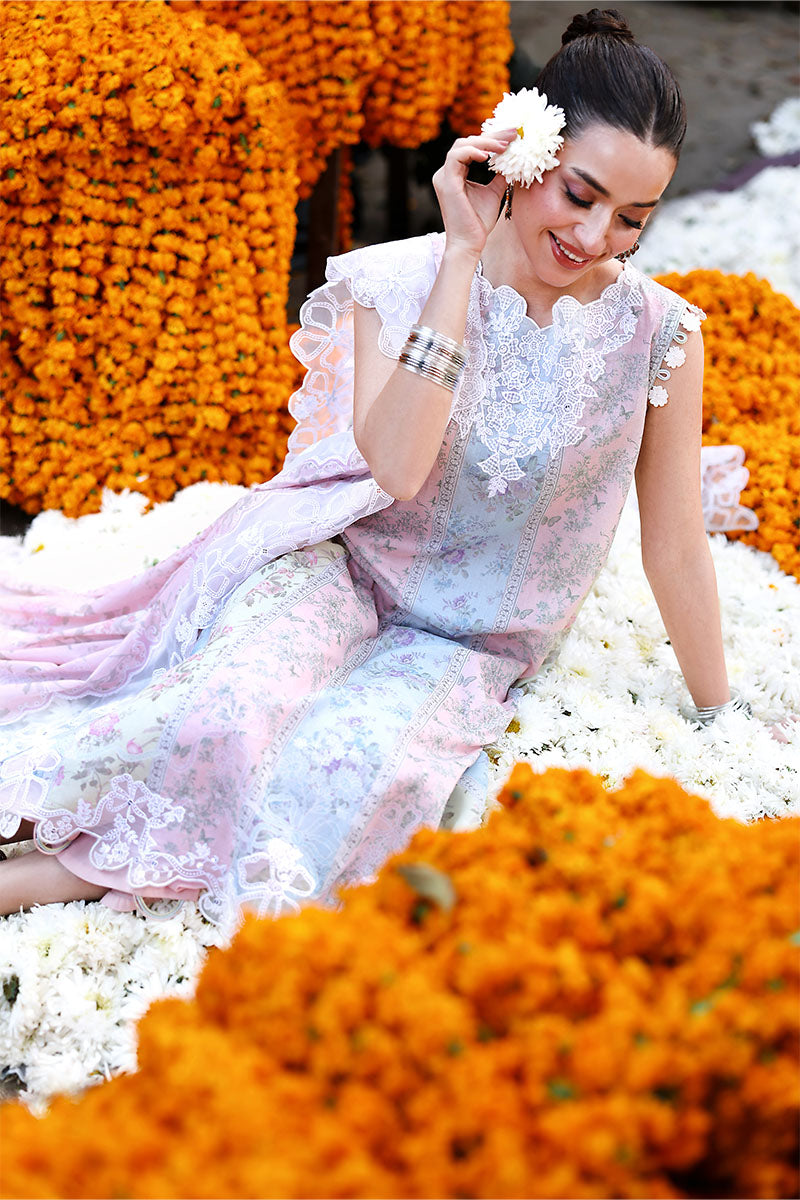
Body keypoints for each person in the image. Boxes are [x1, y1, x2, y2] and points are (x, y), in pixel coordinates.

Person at [0, 9, 749, 929]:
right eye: (578, 195)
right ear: (521, 155)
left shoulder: (661, 333)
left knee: (336, 782)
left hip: (472, 643)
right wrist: (462, 259)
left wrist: (719, 716)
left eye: (632, 219)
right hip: (343, 570)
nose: (596, 238)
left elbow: (674, 545)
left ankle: (41, 882)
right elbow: (395, 468)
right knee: (217, 714)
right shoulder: (392, 281)